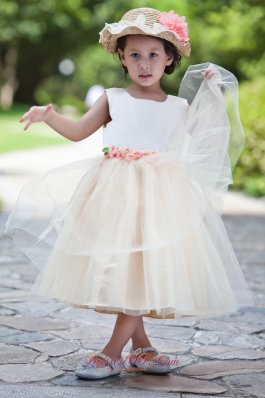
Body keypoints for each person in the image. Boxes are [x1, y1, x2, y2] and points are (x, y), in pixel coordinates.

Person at [5, 7, 254, 380]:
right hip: (114, 197)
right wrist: (49, 116)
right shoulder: (113, 98)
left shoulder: (178, 107)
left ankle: (110, 352)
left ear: (170, 58)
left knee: (140, 272)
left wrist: (212, 94)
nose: (144, 63)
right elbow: (78, 131)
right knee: (127, 272)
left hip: (160, 201)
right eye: (134, 54)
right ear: (121, 56)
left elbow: (206, 139)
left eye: (154, 54)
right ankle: (143, 349)